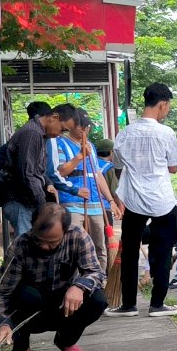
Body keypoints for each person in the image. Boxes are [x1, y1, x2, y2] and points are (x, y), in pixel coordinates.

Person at [0, 203, 107, 351]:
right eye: (39, 239)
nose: (44, 246)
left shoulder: (78, 236)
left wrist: (79, 286)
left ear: (65, 231)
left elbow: (95, 272)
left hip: (65, 305)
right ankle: (21, 348)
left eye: (52, 242)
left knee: (97, 300)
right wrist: (2, 323)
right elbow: (1, 293)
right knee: (26, 295)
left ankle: (66, 340)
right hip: (31, 309)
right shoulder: (20, 246)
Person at [110, 83, 177, 317]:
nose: (167, 111)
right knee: (162, 251)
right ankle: (157, 304)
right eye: (168, 107)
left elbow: (117, 166)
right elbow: (173, 167)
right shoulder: (166, 133)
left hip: (133, 199)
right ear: (162, 104)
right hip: (161, 199)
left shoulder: (124, 133)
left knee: (130, 251)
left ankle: (129, 304)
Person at [57, 106, 123, 268]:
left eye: (87, 126)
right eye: (81, 126)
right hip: (72, 204)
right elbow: (60, 171)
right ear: (72, 125)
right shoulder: (61, 144)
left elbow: (97, 175)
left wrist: (110, 200)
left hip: (95, 205)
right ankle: (76, 280)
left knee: (99, 246)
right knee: (75, 245)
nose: (85, 129)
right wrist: (80, 156)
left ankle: (99, 281)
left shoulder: (91, 147)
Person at [0, 100, 63, 244]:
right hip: (19, 199)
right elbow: (26, 173)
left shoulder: (39, 135)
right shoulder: (31, 133)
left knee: (30, 245)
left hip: (26, 199)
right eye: (63, 128)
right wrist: (42, 205)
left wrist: (48, 183)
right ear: (51, 117)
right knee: (25, 247)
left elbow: (37, 169)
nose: (60, 133)